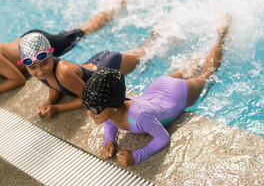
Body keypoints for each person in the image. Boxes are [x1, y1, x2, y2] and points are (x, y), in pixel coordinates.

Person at [80, 14, 231, 167]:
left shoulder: (139, 117)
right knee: (190, 69)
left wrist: (137, 155)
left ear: (112, 106)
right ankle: (202, 51)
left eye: (93, 108)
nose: (88, 113)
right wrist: (109, 141)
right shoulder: (112, 108)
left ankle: (222, 35)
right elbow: (110, 121)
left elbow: (163, 138)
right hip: (158, 86)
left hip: (177, 94)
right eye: (87, 106)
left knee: (205, 76)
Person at [0, 0, 126, 102]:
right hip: (27, 43)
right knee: (72, 34)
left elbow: (17, 79)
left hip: (36, 46)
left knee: (82, 32)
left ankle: (116, 6)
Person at [18, 24, 157, 118]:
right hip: (94, 63)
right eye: (33, 67)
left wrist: (58, 108)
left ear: (52, 56)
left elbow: (89, 100)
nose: (40, 71)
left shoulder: (63, 72)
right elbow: (54, 85)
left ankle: (161, 34)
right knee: (144, 51)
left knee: (149, 53)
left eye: (44, 64)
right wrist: (49, 103)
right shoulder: (42, 72)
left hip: (109, 66)